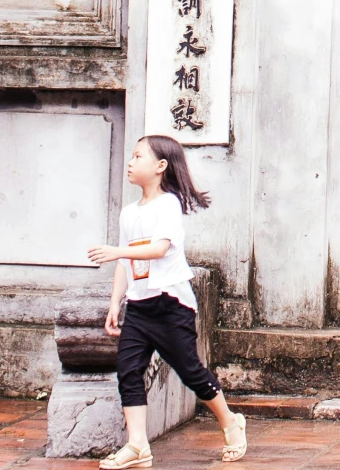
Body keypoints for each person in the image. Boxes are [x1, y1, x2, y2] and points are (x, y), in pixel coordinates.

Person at [87, 136, 245, 468]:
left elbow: (159, 249)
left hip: (171, 305)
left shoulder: (168, 205)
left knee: (190, 371)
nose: (130, 162)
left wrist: (118, 251)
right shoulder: (129, 213)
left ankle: (231, 422)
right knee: (128, 371)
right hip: (140, 306)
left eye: (137, 156)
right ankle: (138, 445)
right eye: (130, 156)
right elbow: (124, 264)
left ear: (160, 167)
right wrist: (116, 303)